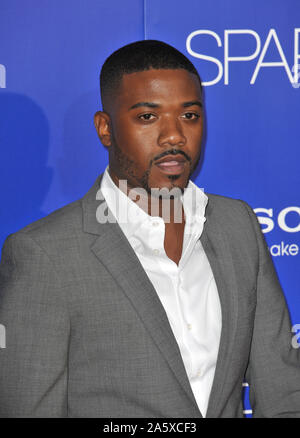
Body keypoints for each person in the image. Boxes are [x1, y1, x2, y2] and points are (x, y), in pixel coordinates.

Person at [0, 40, 299, 418]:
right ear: (105, 128)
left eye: (189, 115)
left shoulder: (238, 225)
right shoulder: (45, 255)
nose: (174, 136)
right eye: (148, 117)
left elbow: (284, 390)